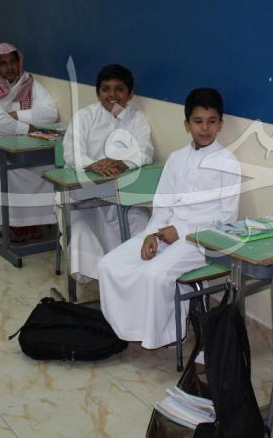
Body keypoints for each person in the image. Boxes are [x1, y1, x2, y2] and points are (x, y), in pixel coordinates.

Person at [98, 88, 240, 349]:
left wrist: (182, 232)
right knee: (109, 265)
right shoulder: (176, 159)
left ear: (220, 125)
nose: (205, 128)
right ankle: (126, 329)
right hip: (165, 232)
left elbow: (226, 218)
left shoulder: (228, 162)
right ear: (187, 124)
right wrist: (151, 235)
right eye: (198, 121)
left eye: (211, 121)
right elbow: (162, 206)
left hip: (203, 240)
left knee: (154, 274)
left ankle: (170, 334)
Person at [63, 64, 154, 281]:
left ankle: (132, 279)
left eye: (119, 89)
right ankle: (98, 281)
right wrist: (94, 165)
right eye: (105, 89)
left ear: (130, 94)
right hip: (84, 197)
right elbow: (71, 152)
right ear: (98, 93)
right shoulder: (84, 116)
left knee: (142, 224)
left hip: (120, 196)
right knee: (81, 231)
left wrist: (121, 163)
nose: (112, 95)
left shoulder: (137, 119)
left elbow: (145, 153)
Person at [0, 43, 58, 240]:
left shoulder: (29, 83)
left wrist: (17, 115)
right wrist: (24, 127)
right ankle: (6, 224)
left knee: (46, 165)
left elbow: (50, 113)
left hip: (25, 142)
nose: (9, 67)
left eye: (12, 62)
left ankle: (36, 221)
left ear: (19, 62)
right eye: (3, 63)